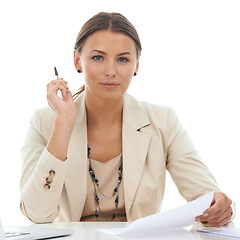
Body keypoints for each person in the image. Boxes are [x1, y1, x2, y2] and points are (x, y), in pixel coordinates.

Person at [20, 12, 234, 226]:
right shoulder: (45, 122)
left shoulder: (163, 121)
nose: (111, 71)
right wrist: (64, 124)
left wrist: (220, 209)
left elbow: (208, 197)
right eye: (98, 57)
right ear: (77, 60)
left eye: (123, 59)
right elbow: (37, 214)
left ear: (137, 65)